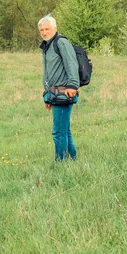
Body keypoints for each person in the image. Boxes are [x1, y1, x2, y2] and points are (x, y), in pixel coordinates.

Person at [38, 15, 79, 161]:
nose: (44, 32)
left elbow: (71, 64)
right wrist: (47, 96)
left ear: (55, 28)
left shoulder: (61, 42)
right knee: (64, 131)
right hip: (53, 94)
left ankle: (61, 163)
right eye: (41, 30)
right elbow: (49, 72)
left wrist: (73, 85)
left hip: (64, 93)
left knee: (58, 132)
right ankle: (72, 161)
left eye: (47, 29)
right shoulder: (47, 46)